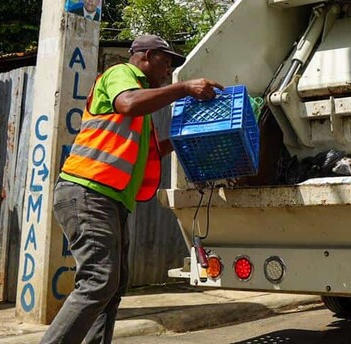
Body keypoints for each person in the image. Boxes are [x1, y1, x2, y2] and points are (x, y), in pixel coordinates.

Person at [41, 34, 222, 344]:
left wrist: (186, 138)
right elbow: (126, 103)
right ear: (147, 56)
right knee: (99, 280)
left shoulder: (142, 112)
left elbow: (150, 153)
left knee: (111, 288)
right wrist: (184, 88)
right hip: (88, 191)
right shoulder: (121, 75)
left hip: (108, 198)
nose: (168, 71)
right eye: (166, 63)